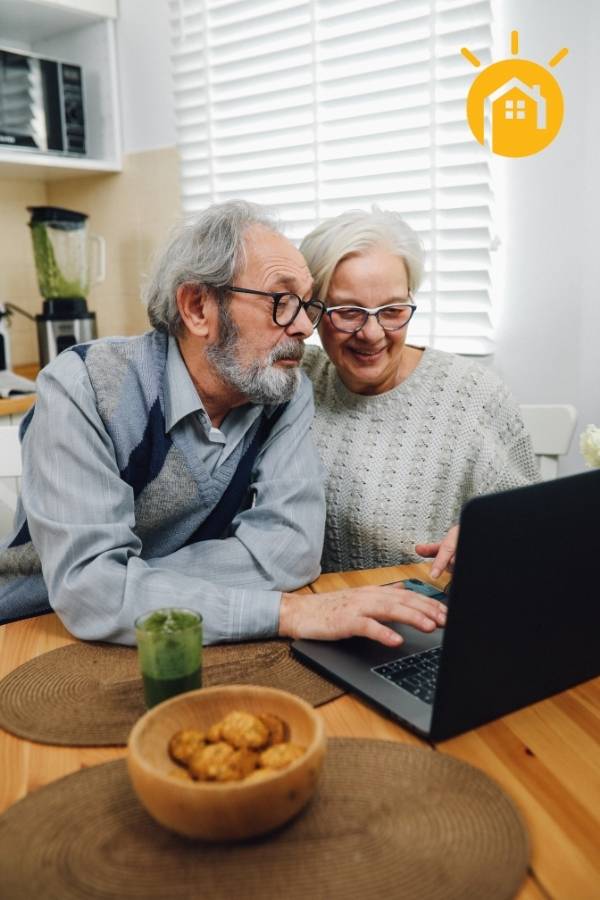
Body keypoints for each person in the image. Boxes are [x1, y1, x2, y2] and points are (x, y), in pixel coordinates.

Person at [0, 201, 446, 649]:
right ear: (198, 308)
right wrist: (284, 611)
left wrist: (128, 585)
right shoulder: (83, 387)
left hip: (194, 633)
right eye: (281, 301)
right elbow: (88, 594)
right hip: (39, 631)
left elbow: (292, 552)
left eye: (306, 304)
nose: (304, 328)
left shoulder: (284, 392)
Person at [300, 207, 540, 576]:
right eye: (349, 312)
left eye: (393, 310)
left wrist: (490, 534)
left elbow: (532, 526)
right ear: (314, 310)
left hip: (433, 612)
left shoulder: (474, 394)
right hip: (322, 609)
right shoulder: (297, 379)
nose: (373, 333)